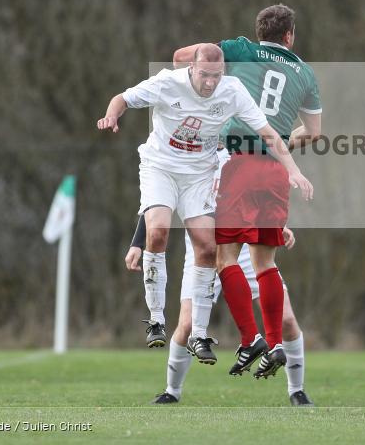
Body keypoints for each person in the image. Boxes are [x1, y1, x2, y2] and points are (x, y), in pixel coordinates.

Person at [97, 44, 313, 364]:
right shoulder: (167, 83)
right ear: (192, 69)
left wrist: (292, 173)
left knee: (212, 251)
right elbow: (123, 99)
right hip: (165, 172)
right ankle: (157, 324)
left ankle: (204, 336)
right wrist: (112, 114)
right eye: (204, 75)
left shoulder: (233, 99)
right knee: (160, 233)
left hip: (204, 187)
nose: (211, 83)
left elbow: (268, 135)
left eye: (217, 76)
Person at [172, 4, 321, 379]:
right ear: (290, 36)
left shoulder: (241, 49)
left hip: (238, 164)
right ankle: (275, 344)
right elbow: (315, 133)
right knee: (266, 263)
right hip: (275, 171)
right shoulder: (305, 73)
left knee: (225, 259)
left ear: (260, 32)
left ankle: (250, 338)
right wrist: (280, 143)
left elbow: (181, 57)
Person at [124, 216, 314, 406]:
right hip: (202, 249)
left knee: (286, 320)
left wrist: (277, 222)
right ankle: (171, 392)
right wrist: (137, 243)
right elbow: (156, 202)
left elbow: (255, 195)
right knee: (188, 324)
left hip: (245, 247)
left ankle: (297, 391)